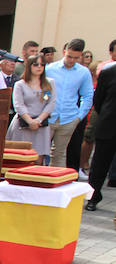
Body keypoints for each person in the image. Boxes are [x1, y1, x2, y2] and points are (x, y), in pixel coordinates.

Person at [46, 39, 94, 167]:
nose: (71, 60)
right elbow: (43, 90)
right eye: (69, 56)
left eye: (76, 58)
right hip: (49, 115)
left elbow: (88, 96)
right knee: (41, 151)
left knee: (60, 153)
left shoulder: (83, 72)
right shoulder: (50, 69)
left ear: (81, 56)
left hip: (69, 118)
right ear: (64, 52)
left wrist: (78, 117)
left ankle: (55, 183)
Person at [6, 54, 56, 162]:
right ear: (29, 66)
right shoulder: (20, 84)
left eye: (42, 65)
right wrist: (30, 121)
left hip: (41, 126)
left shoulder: (48, 83)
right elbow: (18, 105)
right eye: (36, 64)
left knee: (38, 159)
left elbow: (50, 103)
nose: (39, 67)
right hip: (23, 125)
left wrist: (38, 120)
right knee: (18, 159)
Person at [86, 63, 116, 211]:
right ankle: (93, 196)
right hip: (109, 125)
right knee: (99, 165)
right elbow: (98, 100)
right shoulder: (108, 73)